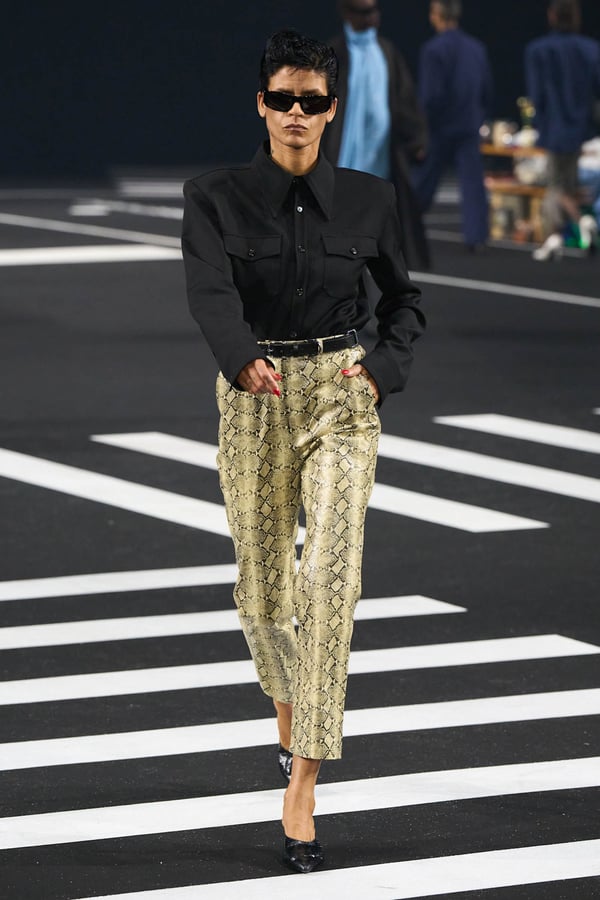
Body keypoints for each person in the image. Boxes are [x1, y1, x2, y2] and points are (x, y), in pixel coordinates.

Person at [181, 29, 424, 874]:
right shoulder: (214, 197)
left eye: (311, 101)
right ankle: (288, 710)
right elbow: (209, 290)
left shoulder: (370, 200)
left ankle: (304, 782)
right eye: (282, 98)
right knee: (262, 595)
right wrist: (237, 355)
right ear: (261, 103)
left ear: (330, 109)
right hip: (255, 399)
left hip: (340, 398)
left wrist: (380, 373)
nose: (296, 113)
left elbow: (404, 303)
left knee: (330, 579)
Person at [322, 0, 431, 271]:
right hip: (342, 150)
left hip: (382, 150)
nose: (371, 17)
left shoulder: (386, 52)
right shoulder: (334, 54)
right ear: (347, 14)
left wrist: (416, 138)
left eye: (373, 11)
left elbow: (404, 99)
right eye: (363, 12)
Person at [412, 0, 493, 251]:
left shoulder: (433, 50)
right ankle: (476, 237)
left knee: (423, 181)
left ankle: (404, 228)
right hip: (468, 125)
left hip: (440, 127)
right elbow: (485, 89)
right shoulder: (476, 48)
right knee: (472, 183)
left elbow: (431, 95)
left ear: (437, 15)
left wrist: (421, 129)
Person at [525, 0, 600, 261]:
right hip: (580, 127)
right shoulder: (590, 49)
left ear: (552, 16)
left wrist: (539, 124)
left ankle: (582, 222)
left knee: (556, 184)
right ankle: (554, 237)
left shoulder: (539, 50)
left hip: (555, 126)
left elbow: (537, 94)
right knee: (565, 183)